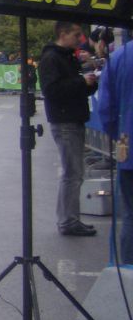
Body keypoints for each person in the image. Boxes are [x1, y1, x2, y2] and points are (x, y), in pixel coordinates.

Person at [38, 22, 99, 237]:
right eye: (76, 34)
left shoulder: (67, 56)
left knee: (74, 173)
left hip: (73, 118)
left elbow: (76, 87)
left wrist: (89, 81)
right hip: (65, 121)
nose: (80, 38)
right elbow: (52, 90)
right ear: (63, 34)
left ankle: (69, 218)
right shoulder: (52, 58)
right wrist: (81, 82)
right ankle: (68, 220)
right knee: (72, 174)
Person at [96, 34, 133, 264]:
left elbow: (106, 108)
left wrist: (118, 137)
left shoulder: (120, 56)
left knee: (130, 215)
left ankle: (129, 272)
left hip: (127, 146)